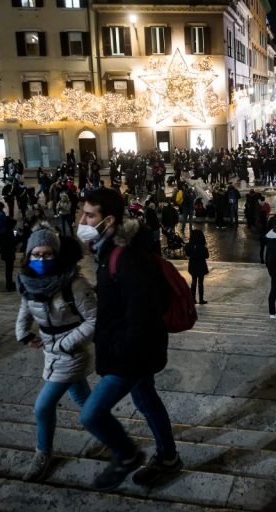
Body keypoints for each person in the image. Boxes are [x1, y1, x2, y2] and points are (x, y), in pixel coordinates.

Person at [76, 188, 183, 491]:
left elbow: (143, 315)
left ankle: (126, 454)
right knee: (146, 400)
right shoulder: (109, 250)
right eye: (83, 213)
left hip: (130, 355)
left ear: (108, 220)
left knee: (92, 414)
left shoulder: (126, 258)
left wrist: (118, 354)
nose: (82, 220)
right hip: (131, 348)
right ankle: (168, 458)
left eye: (90, 215)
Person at [16, 227, 96, 482]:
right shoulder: (29, 279)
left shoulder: (74, 283)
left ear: (57, 254)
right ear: (28, 256)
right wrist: (24, 333)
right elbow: (25, 308)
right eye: (36, 255)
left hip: (70, 352)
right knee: (86, 403)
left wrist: (65, 344)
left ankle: (43, 454)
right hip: (50, 350)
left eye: (47, 254)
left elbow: (96, 319)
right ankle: (116, 441)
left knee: (43, 406)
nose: (41, 260)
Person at [185, 228, 209, 305]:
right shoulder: (203, 247)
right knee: (201, 282)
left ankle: (193, 299)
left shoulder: (189, 246)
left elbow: (188, 254)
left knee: (194, 281)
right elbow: (207, 256)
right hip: (201, 266)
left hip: (192, 265)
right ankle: (201, 299)